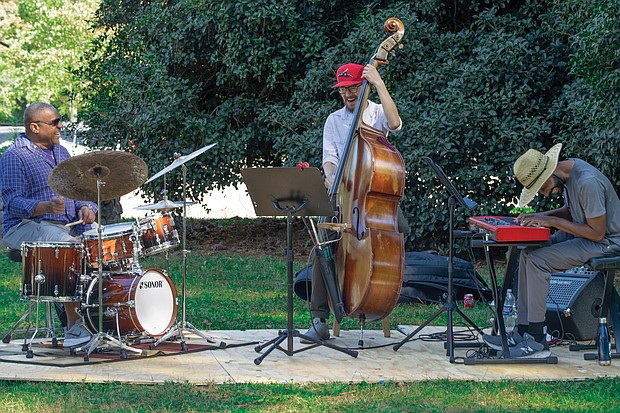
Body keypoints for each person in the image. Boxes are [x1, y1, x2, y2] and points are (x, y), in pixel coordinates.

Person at [301, 63, 407, 343]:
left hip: (373, 197)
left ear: (364, 86)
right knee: (323, 240)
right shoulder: (333, 120)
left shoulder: (375, 112)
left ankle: (378, 289)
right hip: (344, 195)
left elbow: (395, 124)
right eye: (344, 89)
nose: (349, 94)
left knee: (400, 227)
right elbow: (329, 159)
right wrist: (332, 178)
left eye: (355, 87)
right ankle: (319, 319)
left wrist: (380, 84)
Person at [483, 143, 620, 358]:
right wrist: (540, 217)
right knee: (528, 254)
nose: (543, 194)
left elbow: (596, 233)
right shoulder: (569, 175)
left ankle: (537, 340)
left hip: (606, 242)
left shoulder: (587, 182)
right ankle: (522, 332)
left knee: (539, 261)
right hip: (586, 234)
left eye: (541, 187)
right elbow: (572, 211)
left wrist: (551, 220)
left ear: (550, 172)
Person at [1, 102, 98, 348]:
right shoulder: (15, 156)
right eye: (54, 122)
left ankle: (107, 319)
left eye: (59, 120)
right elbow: (11, 201)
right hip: (24, 226)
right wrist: (43, 206)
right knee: (69, 247)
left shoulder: (62, 152)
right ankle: (74, 326)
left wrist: (87, 208)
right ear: (34, 127)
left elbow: (79, 191)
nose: (60, 126)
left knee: (103, 244)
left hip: (66, 224)